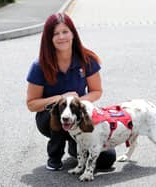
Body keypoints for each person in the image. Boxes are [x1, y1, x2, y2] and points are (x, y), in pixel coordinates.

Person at [26, 13, 116, 171]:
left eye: (65, 31)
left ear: (73, 33)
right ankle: (54, 155)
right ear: (49, 38)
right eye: (55, 33)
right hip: (50, 118)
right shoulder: (39, 66)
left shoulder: (87, 58)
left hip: (79, 115)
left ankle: (74, 146)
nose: (61, 37)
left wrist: (76, 102)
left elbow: (96, 91)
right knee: (59, 113)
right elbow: (32, 104)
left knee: (107, 158)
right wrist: (61, 99)